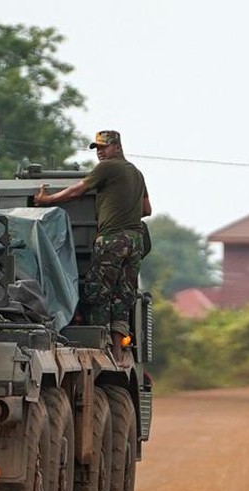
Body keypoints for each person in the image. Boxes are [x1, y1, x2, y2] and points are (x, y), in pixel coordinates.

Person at [34, 130, 151, 366]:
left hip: (112, 239)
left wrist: (46, 200)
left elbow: (78, 190)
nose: (99, 152)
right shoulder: (136, 173)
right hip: (135, 240)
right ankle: (118, 351)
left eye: (103, 147)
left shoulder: (108, 167)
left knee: (97, 293)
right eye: (96, 148)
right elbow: (147, 210)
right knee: (123, 295)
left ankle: (102, 347)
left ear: (117, 147)